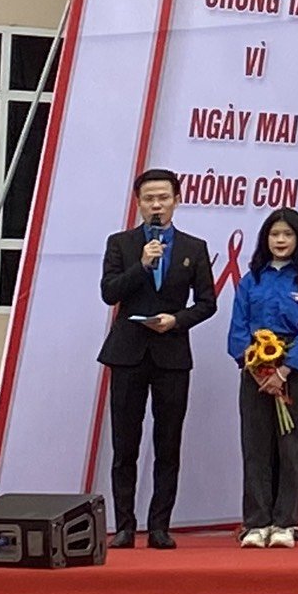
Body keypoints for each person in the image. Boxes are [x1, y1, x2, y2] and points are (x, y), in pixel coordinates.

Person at [98, 168, 220, 549]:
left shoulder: (193, 248)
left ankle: (160, 526)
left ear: (176, 201)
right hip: (128, 353)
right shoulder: (120, 243)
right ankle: (124, 525)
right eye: (149, 198)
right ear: (138, 203)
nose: (156, 205)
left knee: (168, 442)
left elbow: (207, 302)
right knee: (125, 444)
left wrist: (176, 320)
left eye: (163, 198)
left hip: (171, 354)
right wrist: (142, 265)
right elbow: (109, 292)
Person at [227, 206, 298, 549]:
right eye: (275, 234)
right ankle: (256, 521)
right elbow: (238, 326)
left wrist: (285, 369)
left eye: (288, 234)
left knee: (291, 445)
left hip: (294, 369)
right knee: (255, 445)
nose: (281, 240)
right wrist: (256, 366)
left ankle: (286, 521)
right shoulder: (252, 279)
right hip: (255, 368)